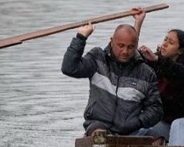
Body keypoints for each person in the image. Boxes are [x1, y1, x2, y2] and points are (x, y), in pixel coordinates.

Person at [61, 8, 162, 136]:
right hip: (97, 127)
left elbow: (156, 110)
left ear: (136, 46)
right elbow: (69, 68)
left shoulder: (146, 73)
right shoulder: (98, 59)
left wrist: (137, 122)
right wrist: (81, 38)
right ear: (111, 41)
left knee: (155, 137)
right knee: (100, 134)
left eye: (130, 47)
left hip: (130, 131)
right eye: (121, 46)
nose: (125, 51)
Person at [136, 29, 184, 146]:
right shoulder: (153, 62)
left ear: (181, 50)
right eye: (165, 40)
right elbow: (131, 56)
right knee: (137, 128)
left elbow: (181, 74)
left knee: (178, 125)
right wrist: (138, 22)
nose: (165, 44)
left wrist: (158, 59)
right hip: (164, 123)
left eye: (171, 42)